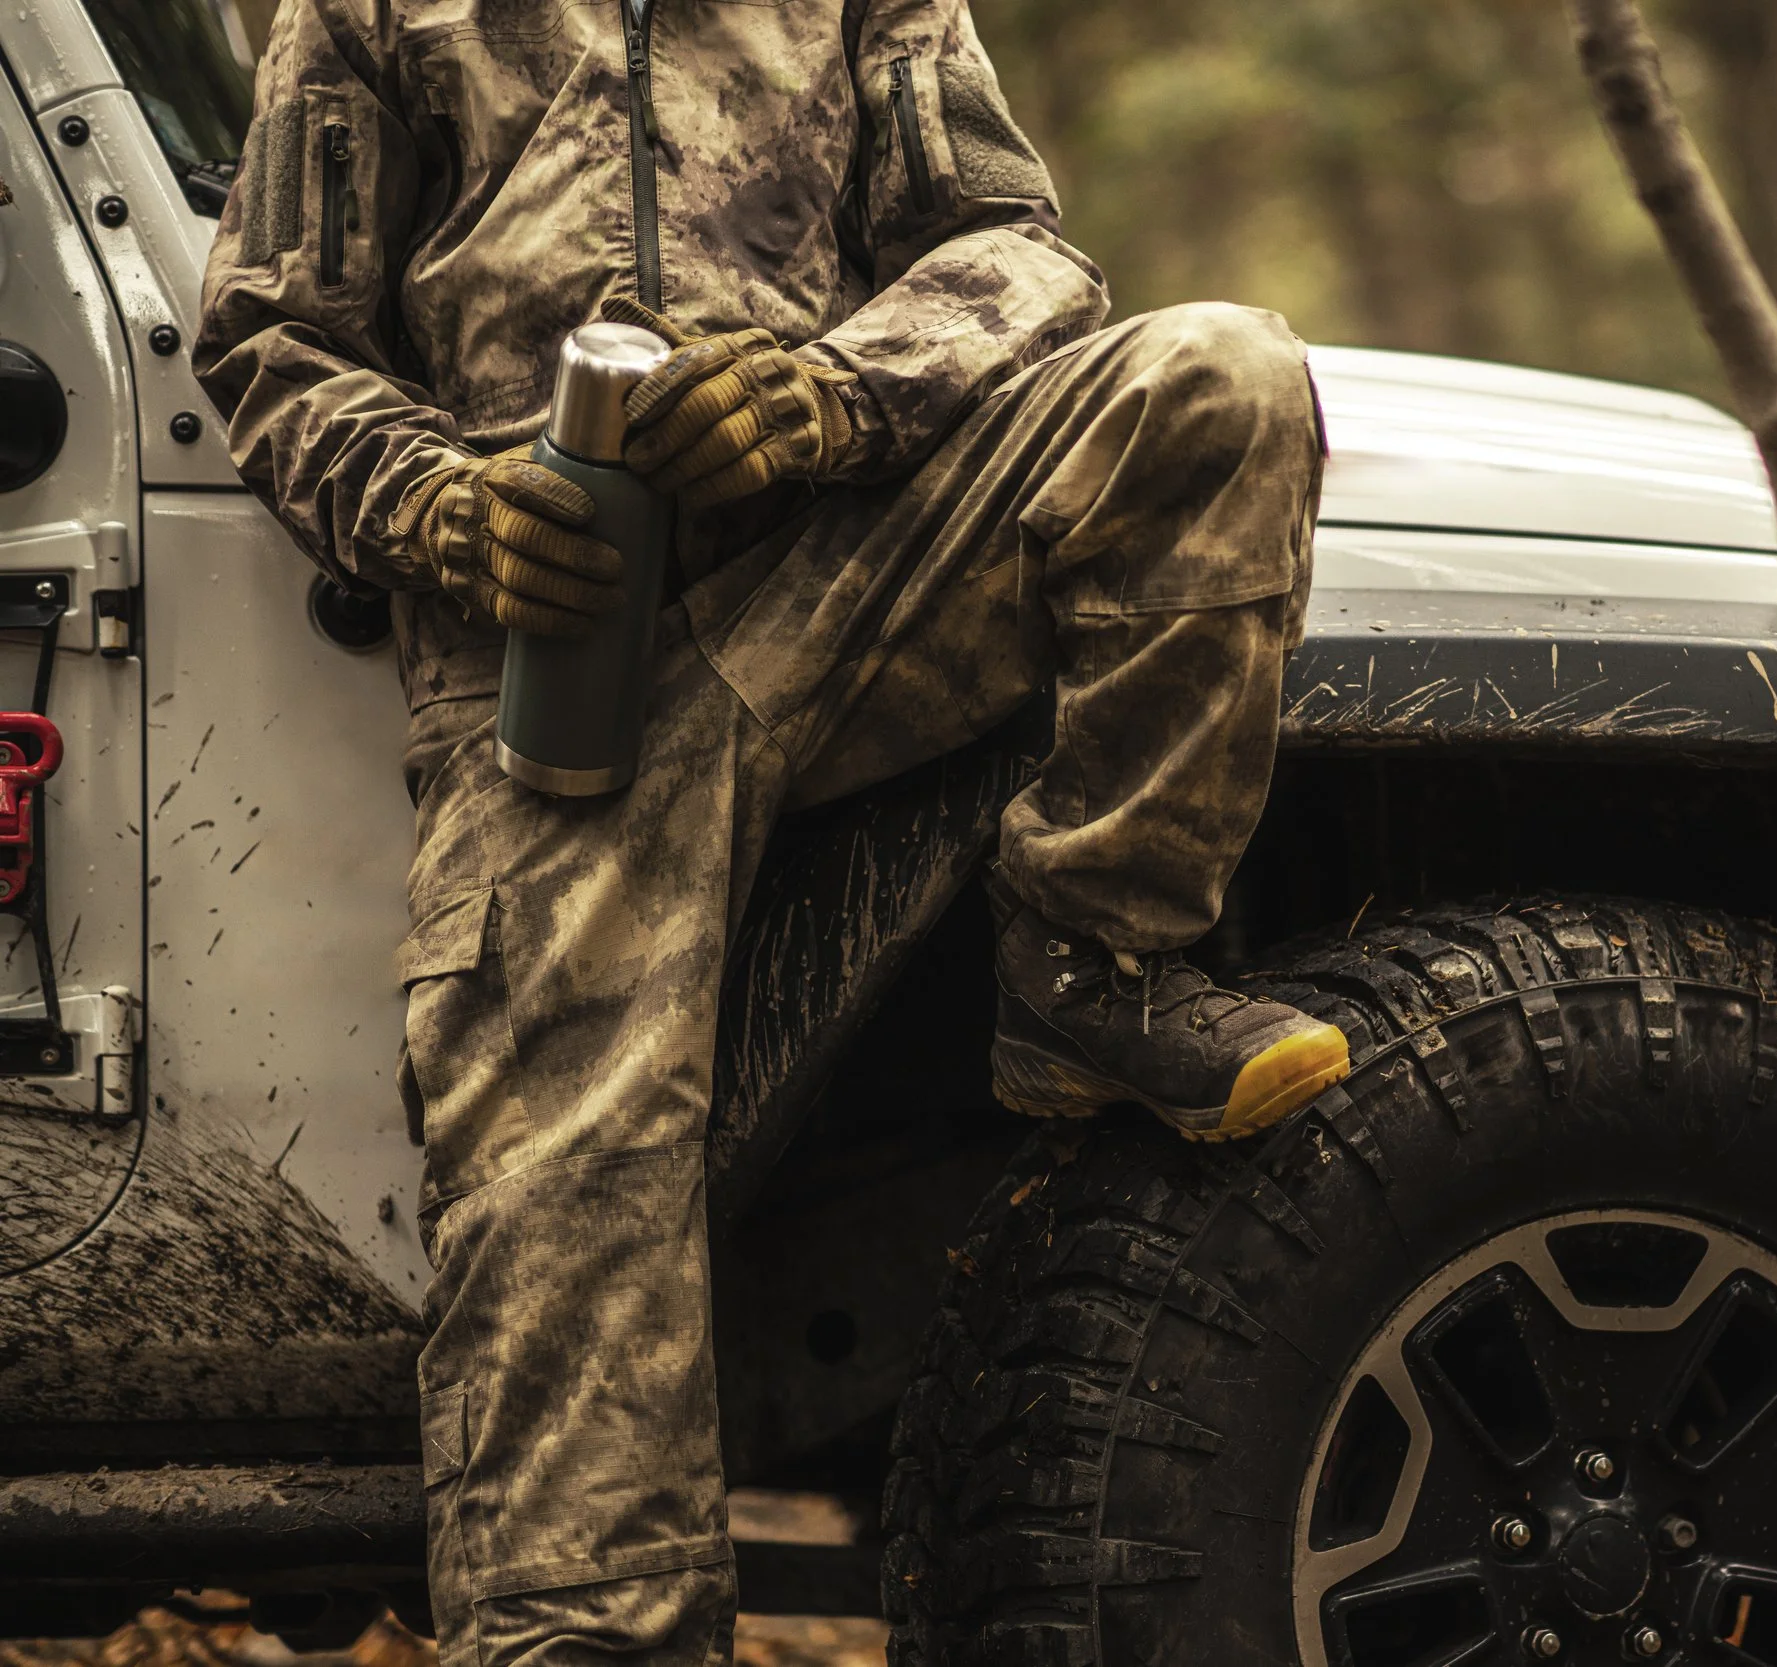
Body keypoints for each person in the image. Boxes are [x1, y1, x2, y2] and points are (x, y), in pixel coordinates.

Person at [192, 4, 1346, 1662]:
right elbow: (270, 338)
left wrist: (833, 393)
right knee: (563, 1194)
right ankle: (592, 1628)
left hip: (850, 558)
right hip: (554, 653)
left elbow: (1012, 249)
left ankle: (1095, 956)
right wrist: (442, 506)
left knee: (1222, 379)